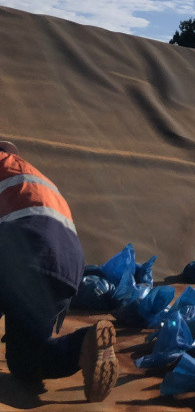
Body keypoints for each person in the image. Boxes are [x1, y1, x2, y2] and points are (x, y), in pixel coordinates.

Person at [0, 140, 118, 401]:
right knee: (27, 361)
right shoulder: (33, 176)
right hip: (66, 264)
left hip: (23, 249)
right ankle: (84, 345)